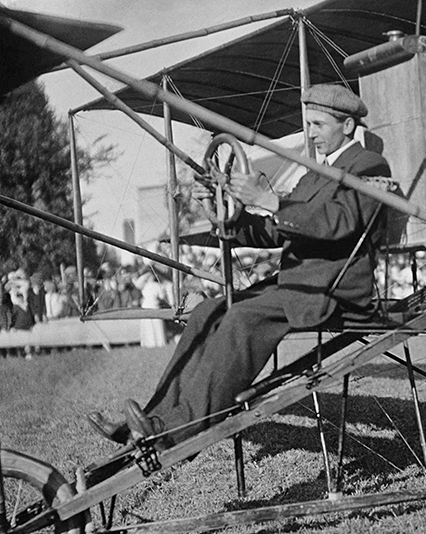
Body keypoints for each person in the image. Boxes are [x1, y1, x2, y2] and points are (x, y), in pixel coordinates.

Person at [88, 84, 393, 448]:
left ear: (347, 125)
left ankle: (173, 431)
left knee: (240, 318)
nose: (311, 133)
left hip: (333, 288)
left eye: (319, 125)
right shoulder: (315, 172)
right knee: (205, 313)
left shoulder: (368, 165)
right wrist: (227, 217)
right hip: (298, 284)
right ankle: (151, 421)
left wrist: (272, 201)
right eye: (307, 124)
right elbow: (276, 232)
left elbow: (339, 222)